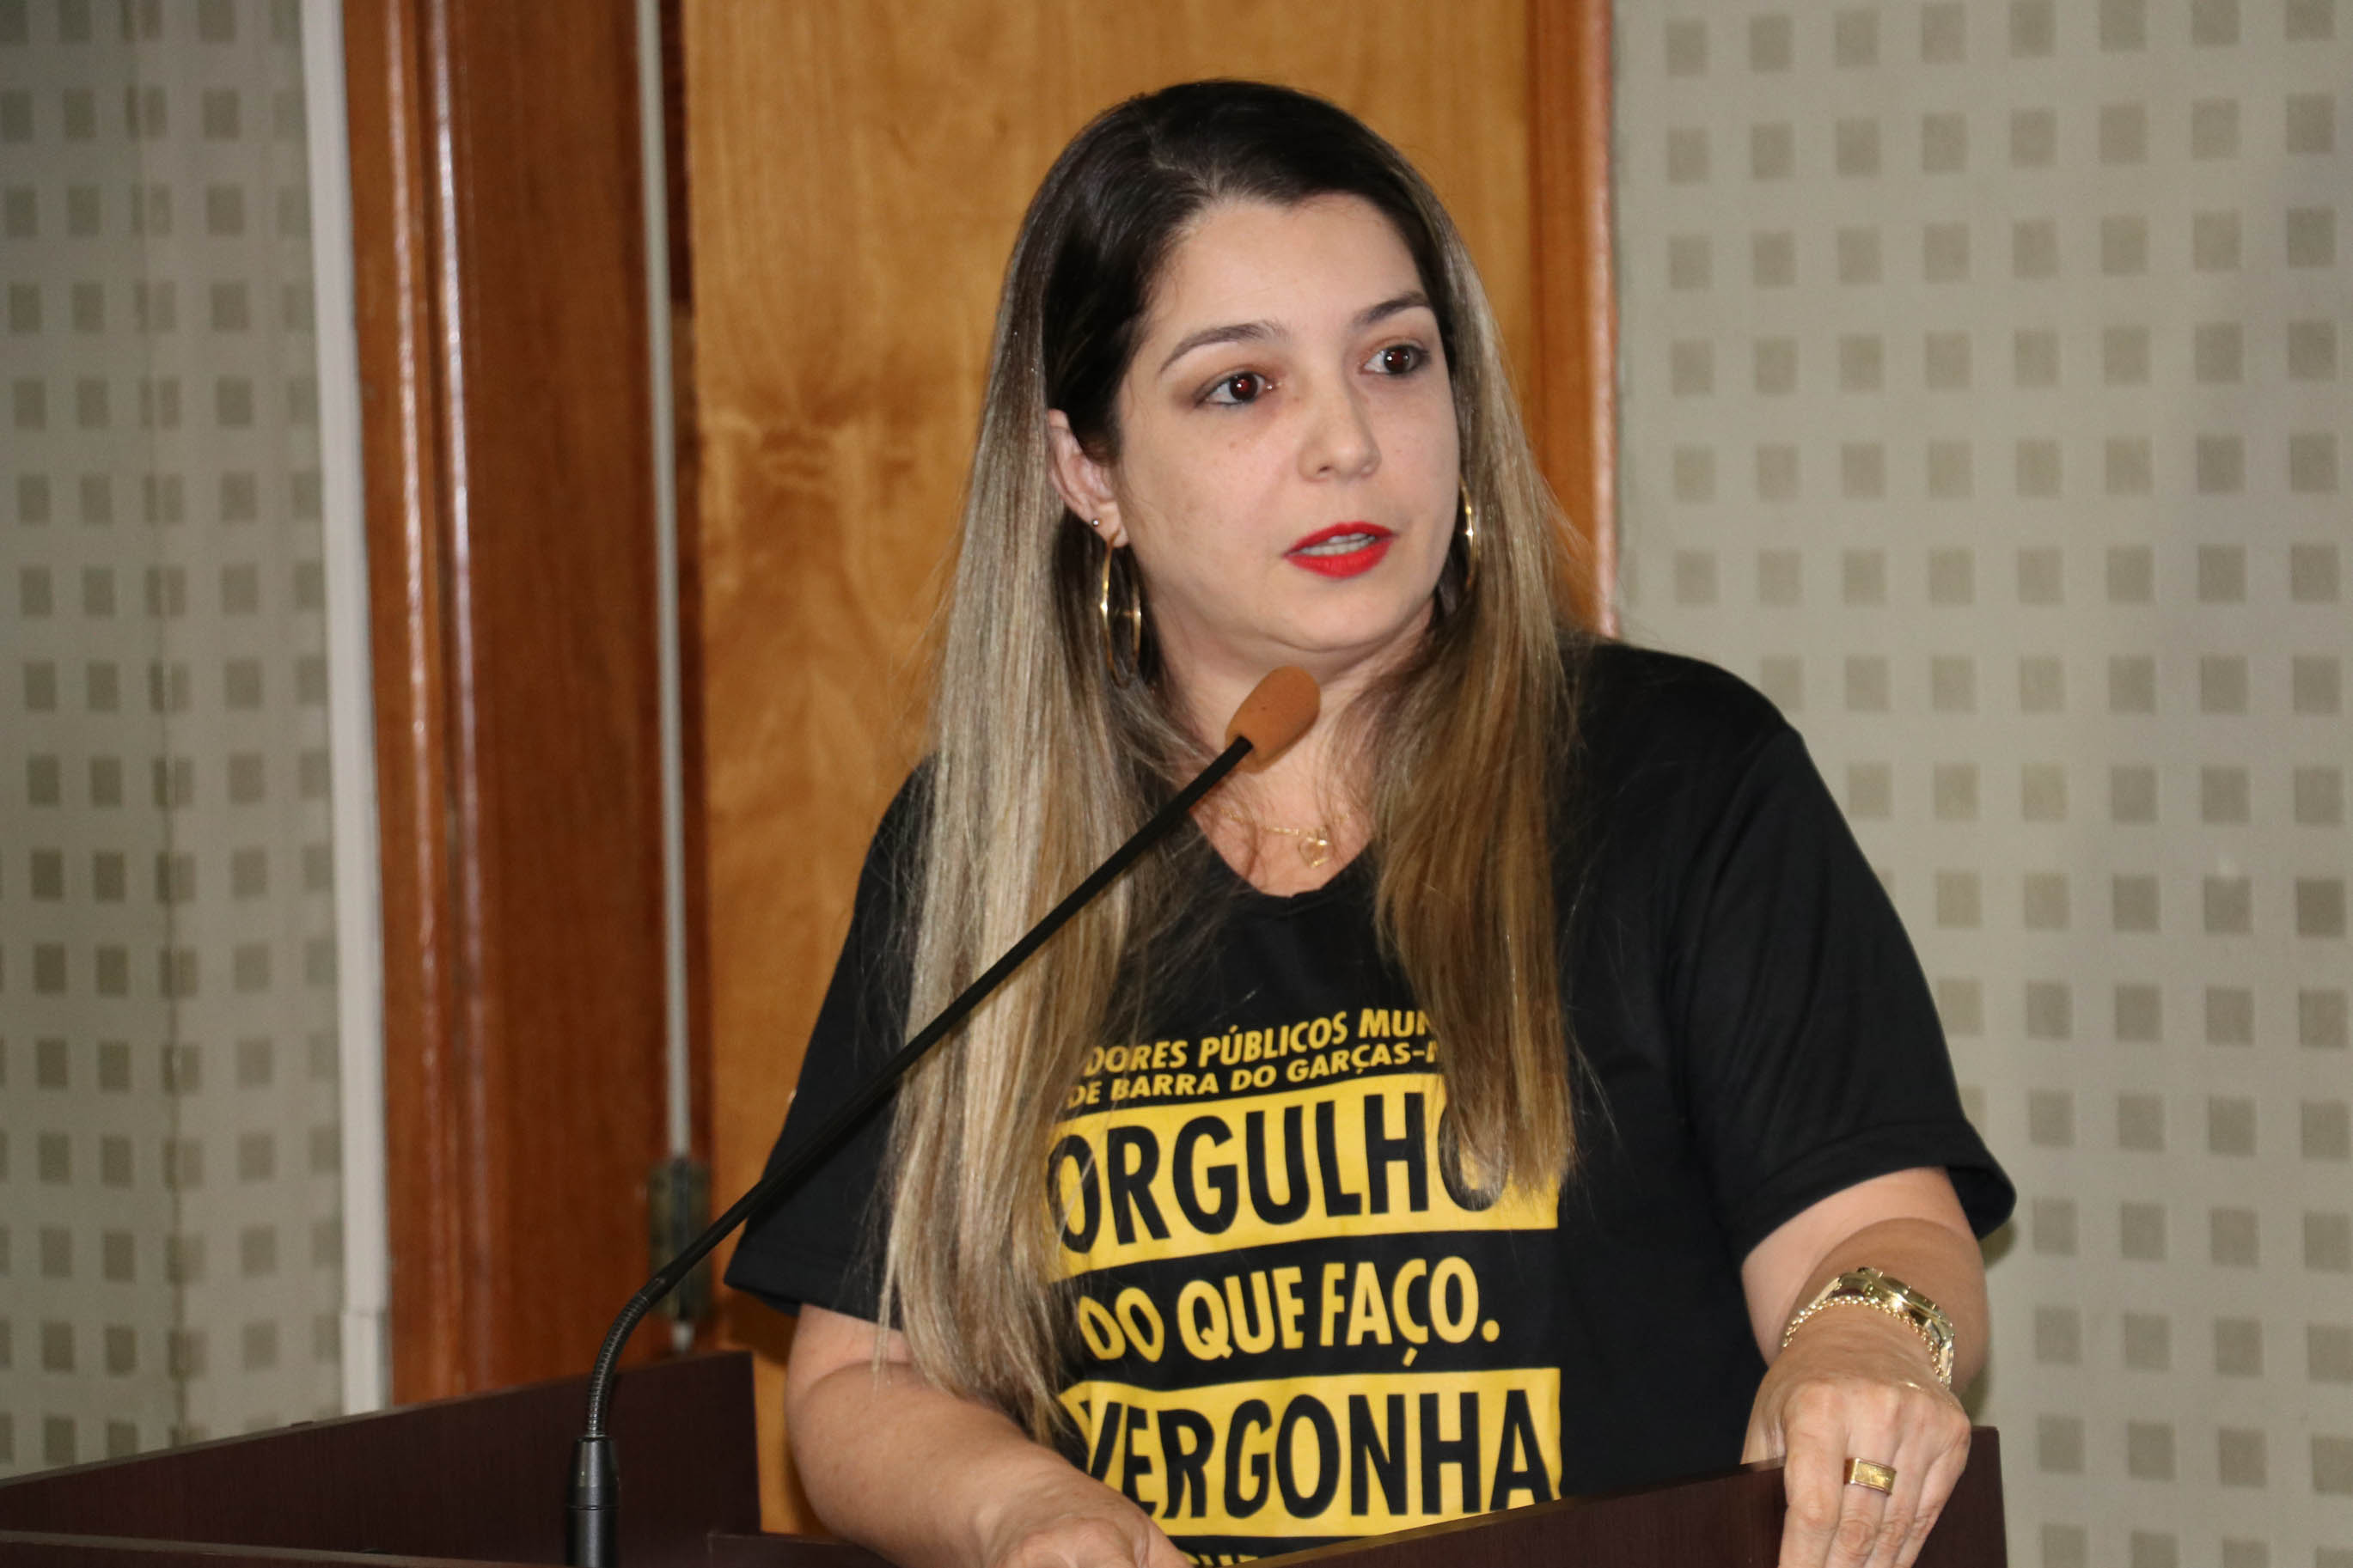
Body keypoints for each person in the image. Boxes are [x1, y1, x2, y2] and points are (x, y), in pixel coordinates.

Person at [726, 80, 2013, 1568]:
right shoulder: (980, 846)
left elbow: (1879, 1230)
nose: (1346, 441)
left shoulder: (1676, 775)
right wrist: (1027, 1510)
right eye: (1240, 386)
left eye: (1394, 360)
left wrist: (1863, 1342)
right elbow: (861, 1376)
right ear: (1087, 471)